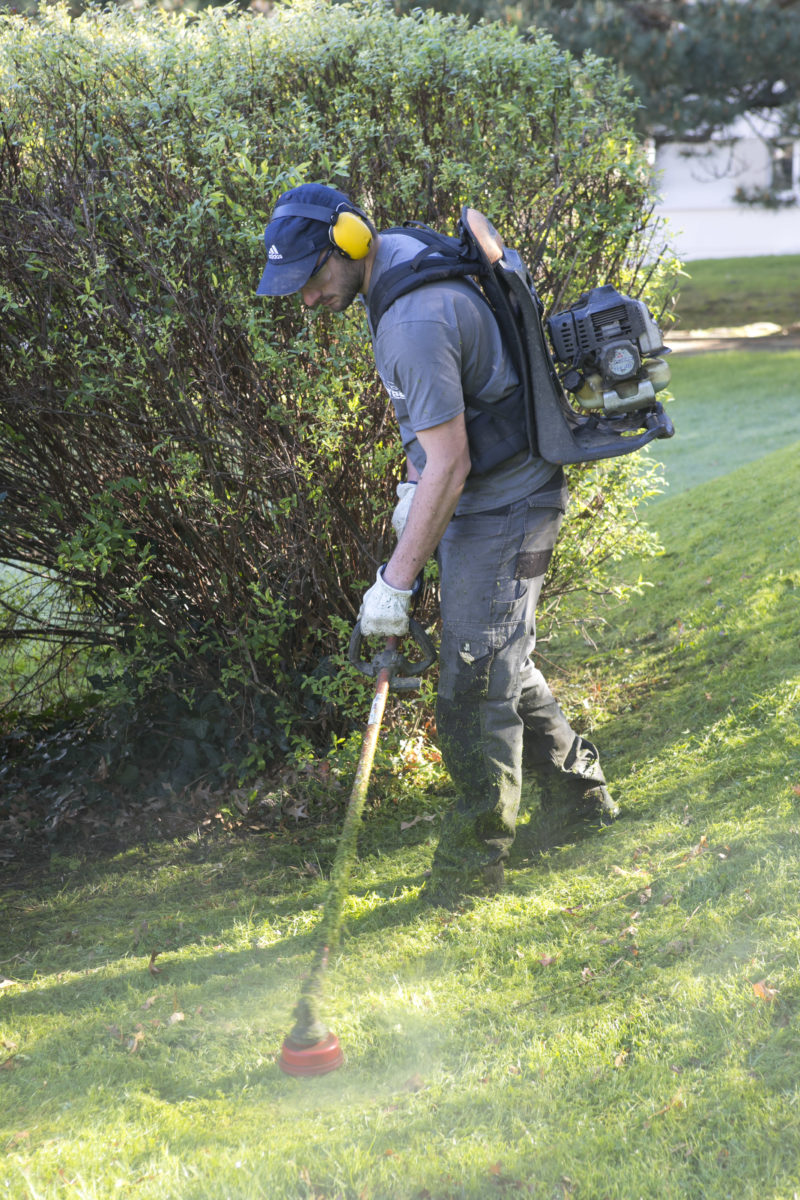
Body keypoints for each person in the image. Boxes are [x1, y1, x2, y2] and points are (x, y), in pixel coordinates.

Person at [256, 183, 618, 905]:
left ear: (350, 244)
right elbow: (439, 442)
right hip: (487, 495)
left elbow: (450, 461)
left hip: (507, 503)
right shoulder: (403, 258)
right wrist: (413, 489)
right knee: (496, 659)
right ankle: (582, 802)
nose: (306, 299)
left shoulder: (410, 319)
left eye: (312, 278)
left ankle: (467, 871)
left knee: (470, 690)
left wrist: (395, 581)